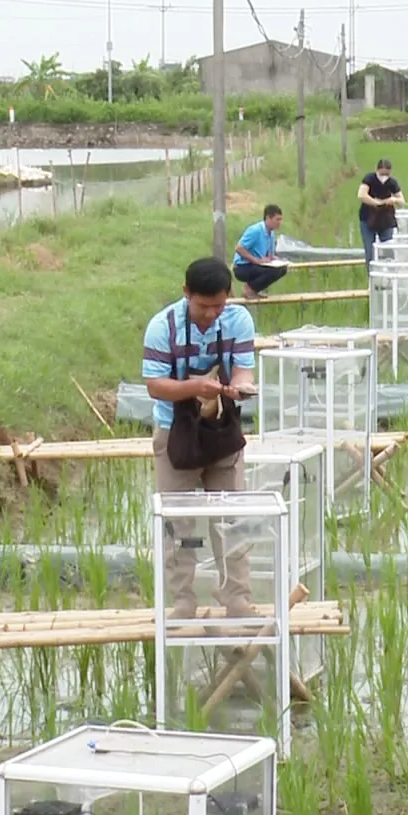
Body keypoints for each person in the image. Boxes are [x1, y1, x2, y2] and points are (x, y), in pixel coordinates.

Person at [142, 257, 258, 620]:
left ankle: (236, 597)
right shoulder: (163, 327)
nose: (210, 314)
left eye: (218, 306)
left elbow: (243, 370)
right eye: (203, 306)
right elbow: (155, 385)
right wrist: (195, 388)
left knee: (231, 518)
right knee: (178, 522)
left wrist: (239, 388)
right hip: (175, 433)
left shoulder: (238, 320)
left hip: (221, 431)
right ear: (186, 294)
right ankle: (182, 602)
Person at [231, 204, 288, 299]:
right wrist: (256, 260)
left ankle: (253, 289)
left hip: (256, 266)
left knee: (282, 269)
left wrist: (278, 260)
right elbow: (239, 248)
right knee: (273, 271)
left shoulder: (271, 233)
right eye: (277, 219)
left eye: (280, 219)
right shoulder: (255, 230)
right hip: (242, 267)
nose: (280, 223)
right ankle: (249, 289)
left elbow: (269, 255)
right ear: (268, 218)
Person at [357, 158, 404, 263]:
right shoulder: (369, 179)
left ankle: (389, 272)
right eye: (382, 174)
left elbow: (402, 201)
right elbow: (361, 195)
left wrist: (394, 200)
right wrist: (376, 203)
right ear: (377, 170)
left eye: (387, 174)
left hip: (386, 221)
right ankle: (371, 271)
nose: (384, 177)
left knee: (388, 251)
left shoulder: (392, 182)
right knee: (370, 252)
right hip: (368, 219)